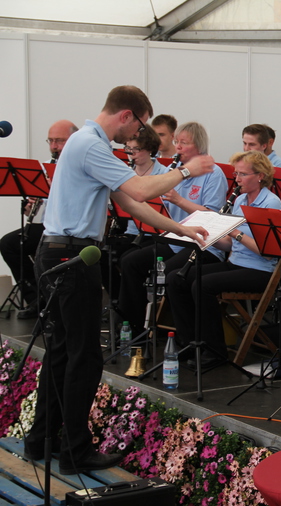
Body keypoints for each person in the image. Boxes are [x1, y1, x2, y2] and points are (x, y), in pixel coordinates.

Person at [23, 85, 213, 475]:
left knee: (62, 352)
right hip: (73, 257)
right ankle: (74, 450)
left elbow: (131, 203)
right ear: (126, 115)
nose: (138, 134)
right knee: (84, 356)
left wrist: (180, 228)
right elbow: (140, 189)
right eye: (139, 125)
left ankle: (41, 439)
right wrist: (186, 170)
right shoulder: (90, 145)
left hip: (59, 251)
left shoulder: (87, 144)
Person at [167, 151, 281, 370]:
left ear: (260, 176)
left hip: (260, 270)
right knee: (176, 278)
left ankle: (215, 351)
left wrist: (235, 233)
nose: (237, 179)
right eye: (236, 174)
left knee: (203, 285)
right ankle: (190, 343)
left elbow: (267, 252)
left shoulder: (271, 203)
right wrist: (210, 236)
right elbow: (230, 245)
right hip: (236, 263)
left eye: (243, 174)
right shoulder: (240, 200)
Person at [117, 121, 227, 336]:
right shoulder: (173, 171)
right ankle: (133, 330)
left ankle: (184, 337)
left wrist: (178, 200)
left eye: (184, 143)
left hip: (202, 242)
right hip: (176, 238)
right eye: (176, 142)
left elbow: (212, 216)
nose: (178, 147)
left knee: (170, 274)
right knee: (130, 262)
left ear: (199, 146)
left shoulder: (213, 173)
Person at [0, 119, 78, 319]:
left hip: (69, 228)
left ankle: (50, 298)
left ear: (74, 140)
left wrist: (55, 191)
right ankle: (36, 297)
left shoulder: (78, 167)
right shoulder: (45, 168)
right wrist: (29, 208)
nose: (54, 146)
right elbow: (33, 210)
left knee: (44, 251)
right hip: (47, 225)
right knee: (9, 244)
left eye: (59, 141)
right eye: (50, 141)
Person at [102, 124, 168, 301]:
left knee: (128, 260)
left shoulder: (164, 174)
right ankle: (117, 299)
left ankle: (131, 305)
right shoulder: (126, 173)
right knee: (101, 255)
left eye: (136, 149)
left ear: (150, 149)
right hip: (132, 232)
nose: (131, 154)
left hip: (154, 234)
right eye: (128, 149)